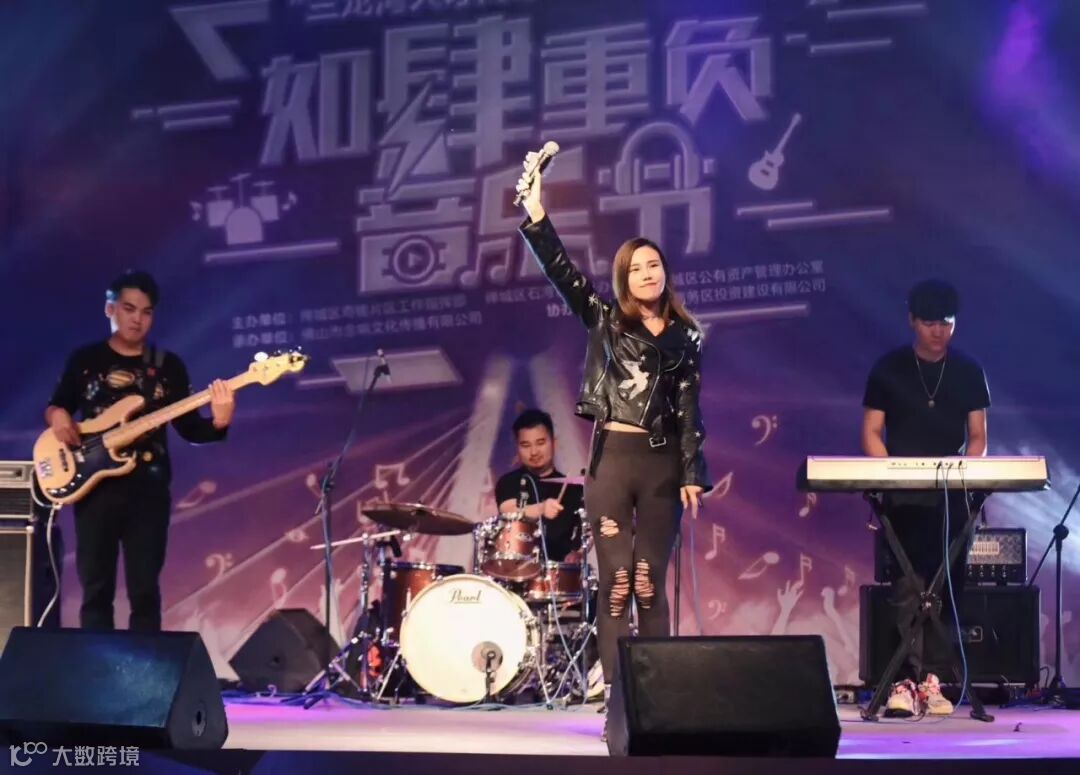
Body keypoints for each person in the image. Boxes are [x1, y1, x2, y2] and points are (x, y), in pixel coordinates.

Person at [515, 151, 711, 733]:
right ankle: (619, 702)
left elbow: (689, 409)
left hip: (661, 467)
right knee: (618, 581)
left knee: (649, 581)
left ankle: (660, 701)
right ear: (623, 278)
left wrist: (692, 471)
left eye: (655, 265)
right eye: (636, 268)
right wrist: (536, 213)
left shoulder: (687, 338)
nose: (648, 274)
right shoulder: (604, 319)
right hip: (612, 462)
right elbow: (562, 272)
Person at [45, 270, 235, 631]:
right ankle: (96, 664)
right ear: (110, 309)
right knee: (95, 591)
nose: (137, 319)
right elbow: (58, 405)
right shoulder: (86, 360)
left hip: (148, 492)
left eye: (146, 312)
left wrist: (220, 420)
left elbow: (190, 428)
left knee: (145, 592)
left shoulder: (168, 367)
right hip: (94, 488)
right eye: (129, 309)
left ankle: (145, 666)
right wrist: (57, 416)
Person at [861, 278, 990, 717]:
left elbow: (978, 437)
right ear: (912, 321)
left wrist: (965, 475)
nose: (939, 331)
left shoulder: (969, 370)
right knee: (906, 587)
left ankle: (933, 682)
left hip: (953, 495)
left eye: (947, 323)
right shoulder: (889, 368)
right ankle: (903, 682)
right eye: (931, 323)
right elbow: (872, 432)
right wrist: (892, 476)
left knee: (947, 586)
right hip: (903, 495)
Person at [494, 408, 585, 563]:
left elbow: (584, 535)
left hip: (558, 573)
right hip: (516, 567)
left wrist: (578, 554)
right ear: (517, 448)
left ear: (554, 443)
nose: (534, 452)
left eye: (540, 443)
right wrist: (542, 508)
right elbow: (508, 510)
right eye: (525, 445)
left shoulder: (574, 488)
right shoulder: (509, 482)